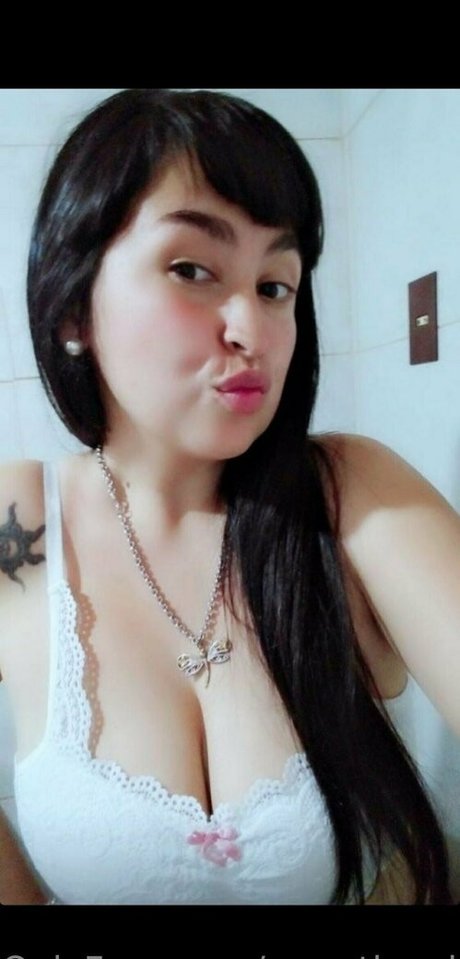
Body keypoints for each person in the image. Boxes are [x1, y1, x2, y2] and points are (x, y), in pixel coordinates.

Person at [0, 88, 458, 906]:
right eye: (192, 269)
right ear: (73, 306)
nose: (251, 328)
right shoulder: (19, 521)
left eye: (276, 284)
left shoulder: (350, 495)